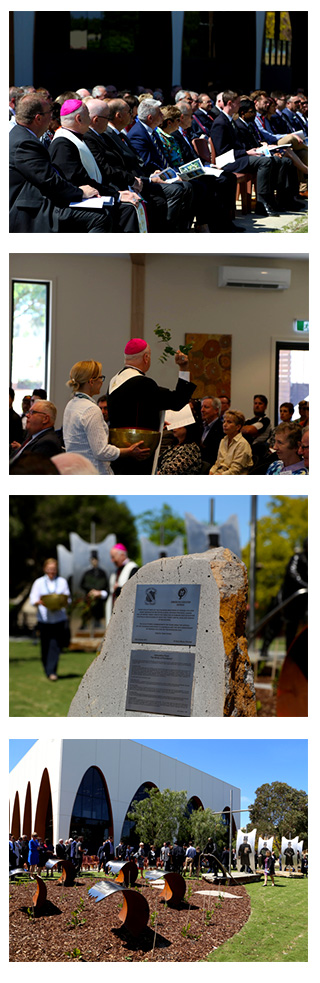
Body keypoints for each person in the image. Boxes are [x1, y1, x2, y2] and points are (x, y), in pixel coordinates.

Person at [9, 93, 111, 232]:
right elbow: (48, 180)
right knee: (99, 217)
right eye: (49, 114)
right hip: (29, 210)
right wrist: (80, 192)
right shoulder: (25, 143)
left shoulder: (21, 135)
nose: (52, 117)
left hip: (36, 201)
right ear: (38, 118)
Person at [49, 98, 143, 232]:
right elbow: (79, 180)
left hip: (93, 194)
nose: (91, 119)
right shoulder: (63, 144)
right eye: (88, 115)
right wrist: (116, 195)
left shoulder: (75, 138)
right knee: (126, 209)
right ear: (79, 119)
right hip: (75, 201)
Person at [107, 338, 195, 474]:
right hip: (139, 453)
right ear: (146, 357)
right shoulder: (143, 383)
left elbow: (136, 410)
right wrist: (184, 368)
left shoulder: (115, 381)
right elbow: (177, 401)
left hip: (120, 452)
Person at [63, 360, 149, 474]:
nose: (102, 382)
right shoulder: (91, 410)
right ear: (91, 382)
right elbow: (101, 451)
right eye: (100, 378)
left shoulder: (72, 404)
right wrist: (129, 451)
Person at [210, 90, 279, 216]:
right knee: (264, 162)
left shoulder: (229, 120)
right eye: (238, 103)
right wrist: (246, 152)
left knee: (271, 159)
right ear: (230, 103)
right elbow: (222, 151)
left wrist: (253, 151)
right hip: (228, 161)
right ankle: (261, 203)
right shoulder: (220, 122)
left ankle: (269, 199)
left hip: (238, 157)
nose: (240, 106)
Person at [29, 557, 71, 680]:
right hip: (44, 619)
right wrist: (39, 602)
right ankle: (48, 669)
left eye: (53, 569)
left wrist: (63, 602)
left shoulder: (62, 581)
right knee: (45, 645)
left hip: (58, 618)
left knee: (56, 645)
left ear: (56, 570)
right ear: (45, 569)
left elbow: (67, 598)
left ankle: (52, 672)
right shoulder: (39, 582)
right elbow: (33, 599)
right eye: (49, 569)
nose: (51, 572)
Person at [10, 399, 64, 466]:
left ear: (45, 419)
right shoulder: (33, 436)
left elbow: (28, 470)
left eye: (32, 412)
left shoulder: (47, 443)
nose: (27, 415)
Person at [209, 410, 253, 474]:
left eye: (229, 422)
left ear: (238, 427)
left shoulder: (242, 444)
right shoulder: (223, 440)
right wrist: (211, 472)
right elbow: (218, 463)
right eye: (224, 421)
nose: (224, 424)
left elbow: (235, 470)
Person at [106, 544, 138, 623]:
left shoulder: (133, 568)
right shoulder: (116, 571)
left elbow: (134, 591)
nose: (112, 560)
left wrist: (118, 589)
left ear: (122, 555)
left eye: (113, 557)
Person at [80, 551, 109, 626]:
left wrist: (98, 592)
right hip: (89, 600)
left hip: (99, 601)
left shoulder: (102, 573)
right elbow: (82, 584)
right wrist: (90, 590)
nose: (94, 561)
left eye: (96, 560)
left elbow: (105, 585)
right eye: (93, 560)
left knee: (98, 620)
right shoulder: (87, 573)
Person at [200, 397, 224, 467]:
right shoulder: (200, 427)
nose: (202, 410)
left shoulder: (221, 428)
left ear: (216, 410)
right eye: (201, 407)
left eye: (206, 407)